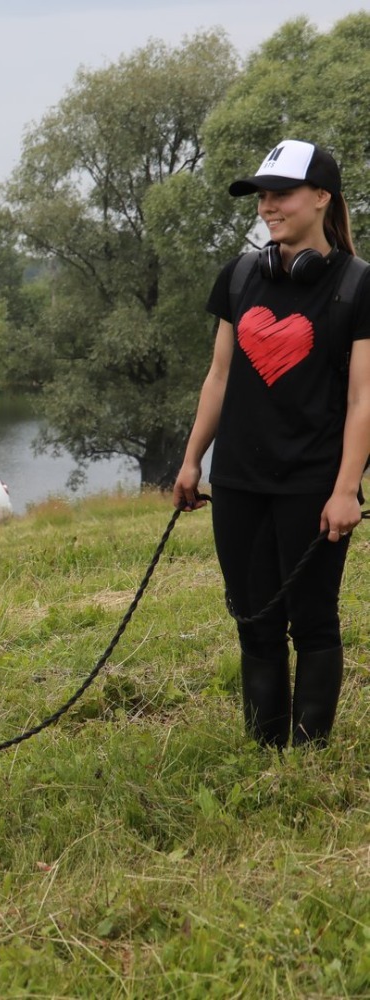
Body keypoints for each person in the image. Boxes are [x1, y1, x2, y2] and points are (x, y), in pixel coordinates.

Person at [174, 139, 370, 749]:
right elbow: (219, 377)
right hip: (238, 482)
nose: (267, 206)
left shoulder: (357, 285)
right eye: (262, 196)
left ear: (322, 196)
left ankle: (309, 753)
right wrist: (191, 460)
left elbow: (364, 398)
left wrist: (345, 490)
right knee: (253, 620)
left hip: (313, 486)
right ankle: (265, 748)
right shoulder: (239, 278)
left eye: (281, 193)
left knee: (312, 620)